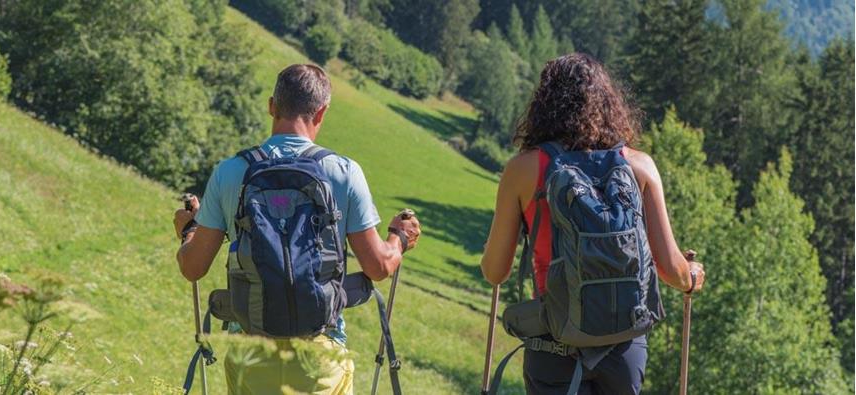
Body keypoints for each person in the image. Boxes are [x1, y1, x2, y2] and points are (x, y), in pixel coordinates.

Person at [172, 64, 421, 394]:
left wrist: (190, 229)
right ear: (321, 112)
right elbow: (378, 266)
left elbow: (193, 268)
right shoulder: (344, 173)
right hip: (319, 357)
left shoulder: (230, 172)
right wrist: (400, 236)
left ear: (272, 105)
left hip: (251, 353)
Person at [480, 53, 706, 394]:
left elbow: (495, 272)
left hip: (553, 342)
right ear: (608, 104)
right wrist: (691, 276)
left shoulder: (524, 170)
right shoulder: (640, 167)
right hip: (624, 349)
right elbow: (669, 268)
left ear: (544, 106)